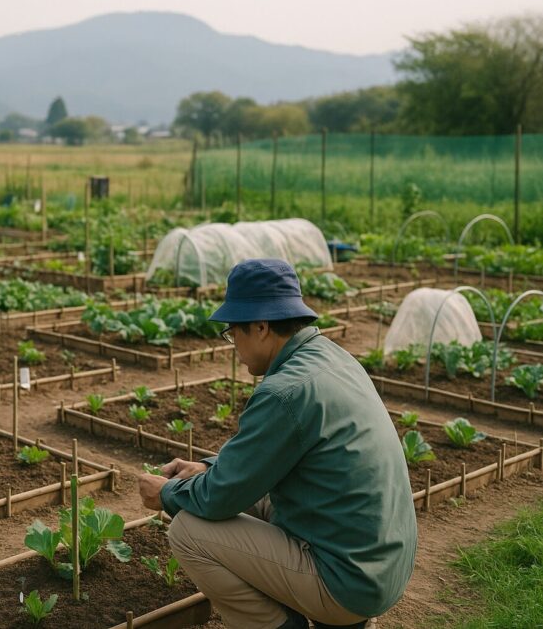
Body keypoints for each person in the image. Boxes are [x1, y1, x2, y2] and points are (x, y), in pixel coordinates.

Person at [138, 258, 416, 629]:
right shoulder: (333, 358)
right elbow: (257, 463)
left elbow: (220, 498)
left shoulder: (284, 392)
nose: (232, 341)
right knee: (248, 496)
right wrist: (206, 467)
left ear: (261, 326)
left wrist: (168, 493)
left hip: (349, 583)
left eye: (233, 331)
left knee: (189, 530)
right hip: (382, 563)